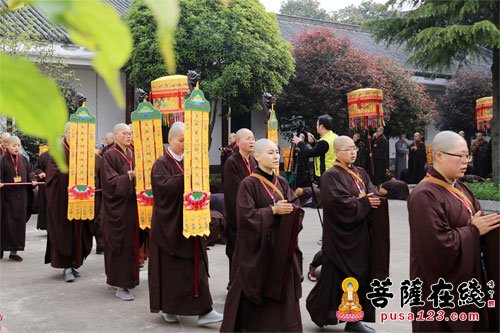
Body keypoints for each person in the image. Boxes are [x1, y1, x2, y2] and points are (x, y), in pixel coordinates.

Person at [407, 131, 500, 332]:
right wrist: (473, 230)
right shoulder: (424, 195)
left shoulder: (462, 189)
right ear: (438, 155)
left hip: (466, 282)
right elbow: (436, 246)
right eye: (460, 156)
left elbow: (480, 222)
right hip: (439, 288)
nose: (466, 161)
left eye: (467, 156)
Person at [306, 136, 390, 332]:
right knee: (343, 279)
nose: (353, 152)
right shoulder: (330, 176)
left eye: (354, 148)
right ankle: (339, 317)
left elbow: (372, 193)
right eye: (347, 149)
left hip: (360, 235)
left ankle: (351, 319)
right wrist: (362, 202)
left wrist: (366, 199)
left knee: (358, 278)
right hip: (341, 238)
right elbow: (337, 204)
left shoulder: (360, 172)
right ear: (337, 153)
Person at [221, 139, 304, 332]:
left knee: (283, 291)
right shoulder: (248, 184)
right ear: (256, 157)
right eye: (270, 153)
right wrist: (272, 211)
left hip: (280, 248)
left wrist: (291, 210)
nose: (276, 156)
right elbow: (246, 217)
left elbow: (295, 206)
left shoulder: (281, 182)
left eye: (276, 152)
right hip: (258, 251)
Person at [148, 122, 223, 326]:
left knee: (195, 265)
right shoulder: (161, 164)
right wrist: (186, 177)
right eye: (181, 141)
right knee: (171, 271)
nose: (184, 145)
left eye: (187, 141)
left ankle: (204, 311)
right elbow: (162, 191)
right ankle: (169, 308)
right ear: (170, 140)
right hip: (169, 227)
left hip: (192, 224)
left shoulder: (192, 162)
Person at [44, 123, 93, 282]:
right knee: (64, 232)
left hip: (79, 200)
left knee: (79, 231)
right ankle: (66, 267)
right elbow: (52, 177)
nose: (74, 135)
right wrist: (71, 176)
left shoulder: (81, 151)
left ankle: (74, 263)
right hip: (62, 201)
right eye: (71, 132)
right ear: (65, 133)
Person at [101, 123, 140, 301]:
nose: (128, 136)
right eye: (125, 133)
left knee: (130, 243)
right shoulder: (109, 155)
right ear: (116, 135)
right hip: (116, 209)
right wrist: (129, 177)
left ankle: (128, 279)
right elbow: (109, 182)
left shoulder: (132, 153)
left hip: (131, 206)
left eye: (130, 133)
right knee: (119, 244)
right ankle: (119, 284)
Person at [222, 128, 257, 282]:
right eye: (247, 138)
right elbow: (235, 191)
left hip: (253, 211)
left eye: (253, 138)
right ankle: (235, 283)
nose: (251, 141)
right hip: (238, 213)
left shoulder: (253, 160)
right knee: (236, 248)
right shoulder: (232, 162)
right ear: (238, 142)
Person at [0, 136, 36, 261]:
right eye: (14, 145)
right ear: (7, 146)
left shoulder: (24, 160)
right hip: (6, 199)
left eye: (18, 145)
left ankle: (14, 251)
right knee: (5, 224)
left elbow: (31, 172)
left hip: (21, 198)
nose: (17, 148)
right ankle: (1, 249)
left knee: (18, 225)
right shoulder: (1, 160)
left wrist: (32, 180)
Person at [292, 114, 338, 185]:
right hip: (335, 173)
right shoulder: (334, 137)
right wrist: (313, 143)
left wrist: (300, 142)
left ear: (321, 126)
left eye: (317, 125)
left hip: (325, 175)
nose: (316, 127)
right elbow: (321, 151)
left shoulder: (324, 142)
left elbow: (308, 153)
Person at [33, 151, 50, 230]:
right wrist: (41, 172)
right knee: (46, 207)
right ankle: (47, 226)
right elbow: (36, 168)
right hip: (46, 187)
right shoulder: (45, 155)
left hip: (61, 188)